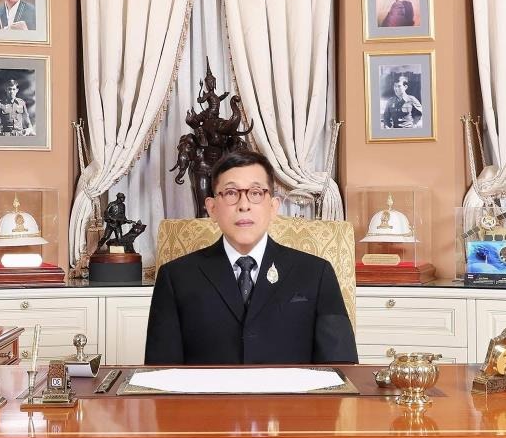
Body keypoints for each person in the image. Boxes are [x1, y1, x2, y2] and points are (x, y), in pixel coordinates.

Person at [145, 150, 358, 365]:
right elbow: (160, 373)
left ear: (273, 206)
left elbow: (341, 366)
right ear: (212, 208)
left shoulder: (316, 273)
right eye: (231, 193)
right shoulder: (176, 277)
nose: (244, 205)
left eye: (255, 193)